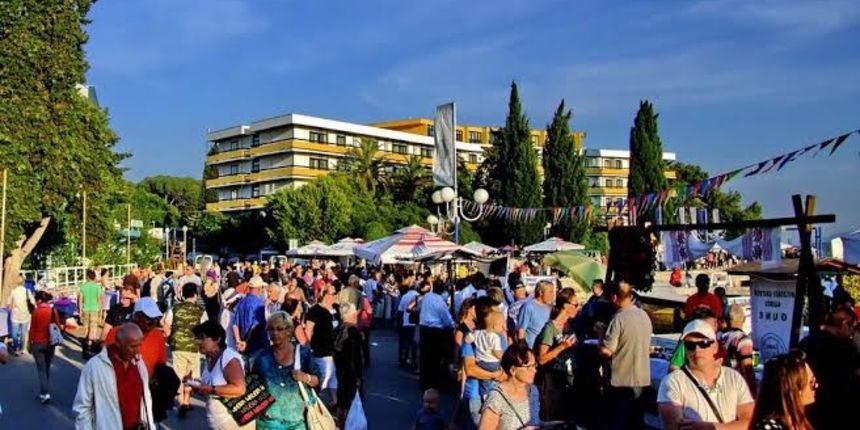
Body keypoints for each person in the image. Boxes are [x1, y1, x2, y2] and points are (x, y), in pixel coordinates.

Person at [657, 319, 754, 430]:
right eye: (690, 345)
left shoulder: (733, 377)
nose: (697, 350)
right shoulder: (673, 382)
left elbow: (750, 422)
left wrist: (712, 427)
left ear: (715, 347)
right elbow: (674, 426)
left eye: (704, 344)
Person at [73, 323, 156, 430]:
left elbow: (146, 399)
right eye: (133, 346)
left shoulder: (139, 364)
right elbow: (82, 407)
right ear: (119, 343)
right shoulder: (95, 366)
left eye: (139, 345)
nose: (137, 351)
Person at [598, 279, 653, 430]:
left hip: (621, 380)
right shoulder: (644, 316)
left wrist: (600, 336)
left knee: (619, 422)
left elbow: (607, 351)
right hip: (642, 378)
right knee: (636, 422)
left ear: (615, 297)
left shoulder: (619, 319)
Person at [252, 311, 320, 429]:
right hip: (268, 422)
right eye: (271, 329)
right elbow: (253, 387)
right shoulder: (262, 357)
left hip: (298, 421)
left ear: (289, 330)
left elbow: (317, 380)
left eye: (279, 329)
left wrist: (305, 377)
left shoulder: (303, 353)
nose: (275, 333)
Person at [799, 308, 860, 430]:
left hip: (810, 408)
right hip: (839, 410)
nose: (852, 333)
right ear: (843, 324)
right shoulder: (846, 349)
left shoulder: (806, 342)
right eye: (852, 327)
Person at [189, 320, 252, 430]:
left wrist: (209, 388)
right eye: (197, 338)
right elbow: (212, 387)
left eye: (202, 338)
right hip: (219, 423)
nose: (198, 342)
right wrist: (197, 386)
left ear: (217, 339)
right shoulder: (210, 358)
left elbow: (239, 389)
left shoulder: (229, 359)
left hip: (233, 423)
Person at [535, 287, 580, 421]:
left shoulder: (571, 326)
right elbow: (542, 359)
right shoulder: (550, 328)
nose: (578, 308)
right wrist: (562, 346)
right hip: (553, 380)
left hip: (569, 378)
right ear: (566, 305)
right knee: (554, 418)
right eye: (576, 305)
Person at [163, 283, 207, 417]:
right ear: (195, 294)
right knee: (191, 376)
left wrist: (169, 338)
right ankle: (187, 401)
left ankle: (181, 400)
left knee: (179, 375)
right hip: (194, 347)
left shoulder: (174, 308)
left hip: (178, 346)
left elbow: (166, 326)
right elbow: (206, 328)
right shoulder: (201, 310)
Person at [478, 342, 541, 430]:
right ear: (513, 370)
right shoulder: (496, 399)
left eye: (535, 365)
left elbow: (536, 423)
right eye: (529, 367)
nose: (534, 370)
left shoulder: (533, 391)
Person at [750, 350, 817, 430]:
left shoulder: (799, 421)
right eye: (811, 382)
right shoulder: (768, 428)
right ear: (795, 390)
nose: (817, 385)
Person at [306, 282, 340, 407]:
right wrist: (308, 346)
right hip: (321, 349)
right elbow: (308, 329)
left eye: (336, 293)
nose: (335, 296)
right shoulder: (315, 310)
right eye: (333, 293)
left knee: (333, 377)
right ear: (325, 295)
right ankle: (314, 402)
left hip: (334, 350)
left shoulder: (336, 308)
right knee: (323, 377)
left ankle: (334, 401)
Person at [418, 280, 455, 390]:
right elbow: (447, 320)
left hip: (424, 328)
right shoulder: (440, 302)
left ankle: (424, 382)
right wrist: (453, 325)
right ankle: (433, 383)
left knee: (425, 357)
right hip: (435, 331)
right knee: (435, 358)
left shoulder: (427, 297)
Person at [334, 302, 365, 424]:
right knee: (351, 401)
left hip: (339, 369)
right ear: (352, 315)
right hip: (350, 371)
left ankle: (340, 422)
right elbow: (355, 356)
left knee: (341, 399)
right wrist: (358, 376)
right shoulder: (353, 331)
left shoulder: (337, 329)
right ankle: (348, 423)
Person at [29, 290, 61, 403]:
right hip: (50, 343)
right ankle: (45, 390)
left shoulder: (36, 312)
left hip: (38, 343)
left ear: (39, 300)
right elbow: (58, 326)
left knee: (41, 369)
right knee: (47, 367)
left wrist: (29, 343)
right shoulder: (53, 311)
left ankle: (44, 392)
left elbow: (32, 329)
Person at [719, 304, 756, 394]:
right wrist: (753, 394)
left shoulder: (719, 336)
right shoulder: (743, 340)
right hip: (736, 388)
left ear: (727, 320)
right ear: (744, 319)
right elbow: (748, 370)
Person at [472, 310, 508, 397]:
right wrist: (504, 357)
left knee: (485, 381)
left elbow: (469, 337)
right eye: (501, 325)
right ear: (494, 326)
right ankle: (493, 396)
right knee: (498, 379)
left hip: (480, 362)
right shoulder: (495, 337)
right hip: (492, 362)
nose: (503, 328)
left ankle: (484, 395)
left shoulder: (478, 332)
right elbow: (496, 352)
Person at [233, 276, 267, 357]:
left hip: (243, 347)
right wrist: (246, 342)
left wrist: (238, 342)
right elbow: (255, 326)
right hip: (256, 346)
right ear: (259, 288)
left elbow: (235, 325)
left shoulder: (241, 302)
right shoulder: (259, 304)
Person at [517, 280, 555, 348]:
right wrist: (523, 349)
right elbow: (521, 330)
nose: (553, 295)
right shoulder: (528, 306)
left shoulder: (548, 307)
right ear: (541, 292)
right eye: (550, 292)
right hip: (530, 348)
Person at [6, 274, 34, 356]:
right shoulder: (27, 291)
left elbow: (8, 303)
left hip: (15, 315)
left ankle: (16, 349)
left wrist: (12, 307)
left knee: (14, 333)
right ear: (23, 282)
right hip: (25, 315)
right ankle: (23, 348)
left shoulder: (13, 291)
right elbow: (33, 302)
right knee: (23, 332)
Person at [398, 281, 420, 368]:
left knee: (405, 343)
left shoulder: (405, 296)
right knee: (415, 344)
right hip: (416, 324)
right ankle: (415, 362)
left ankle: (403, 359)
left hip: (406, 323)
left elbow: (400, 310)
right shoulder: (420, 297)